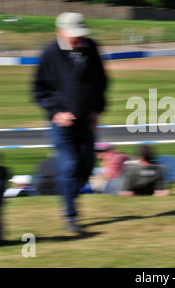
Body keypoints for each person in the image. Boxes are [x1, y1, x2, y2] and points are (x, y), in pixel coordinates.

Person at [32, 12, 108, 232]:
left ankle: (68, 197)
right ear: (60, 32)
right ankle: (70, 215)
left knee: (87, 167)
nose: (79, 40)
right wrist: (56, 112)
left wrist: (97, 112)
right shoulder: (49, 54)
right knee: (70, 166)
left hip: (87, 121)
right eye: (74, 36)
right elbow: (39, 90)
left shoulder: (90, 48)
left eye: (81, 35)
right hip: (61, 125)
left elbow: (101, 81)